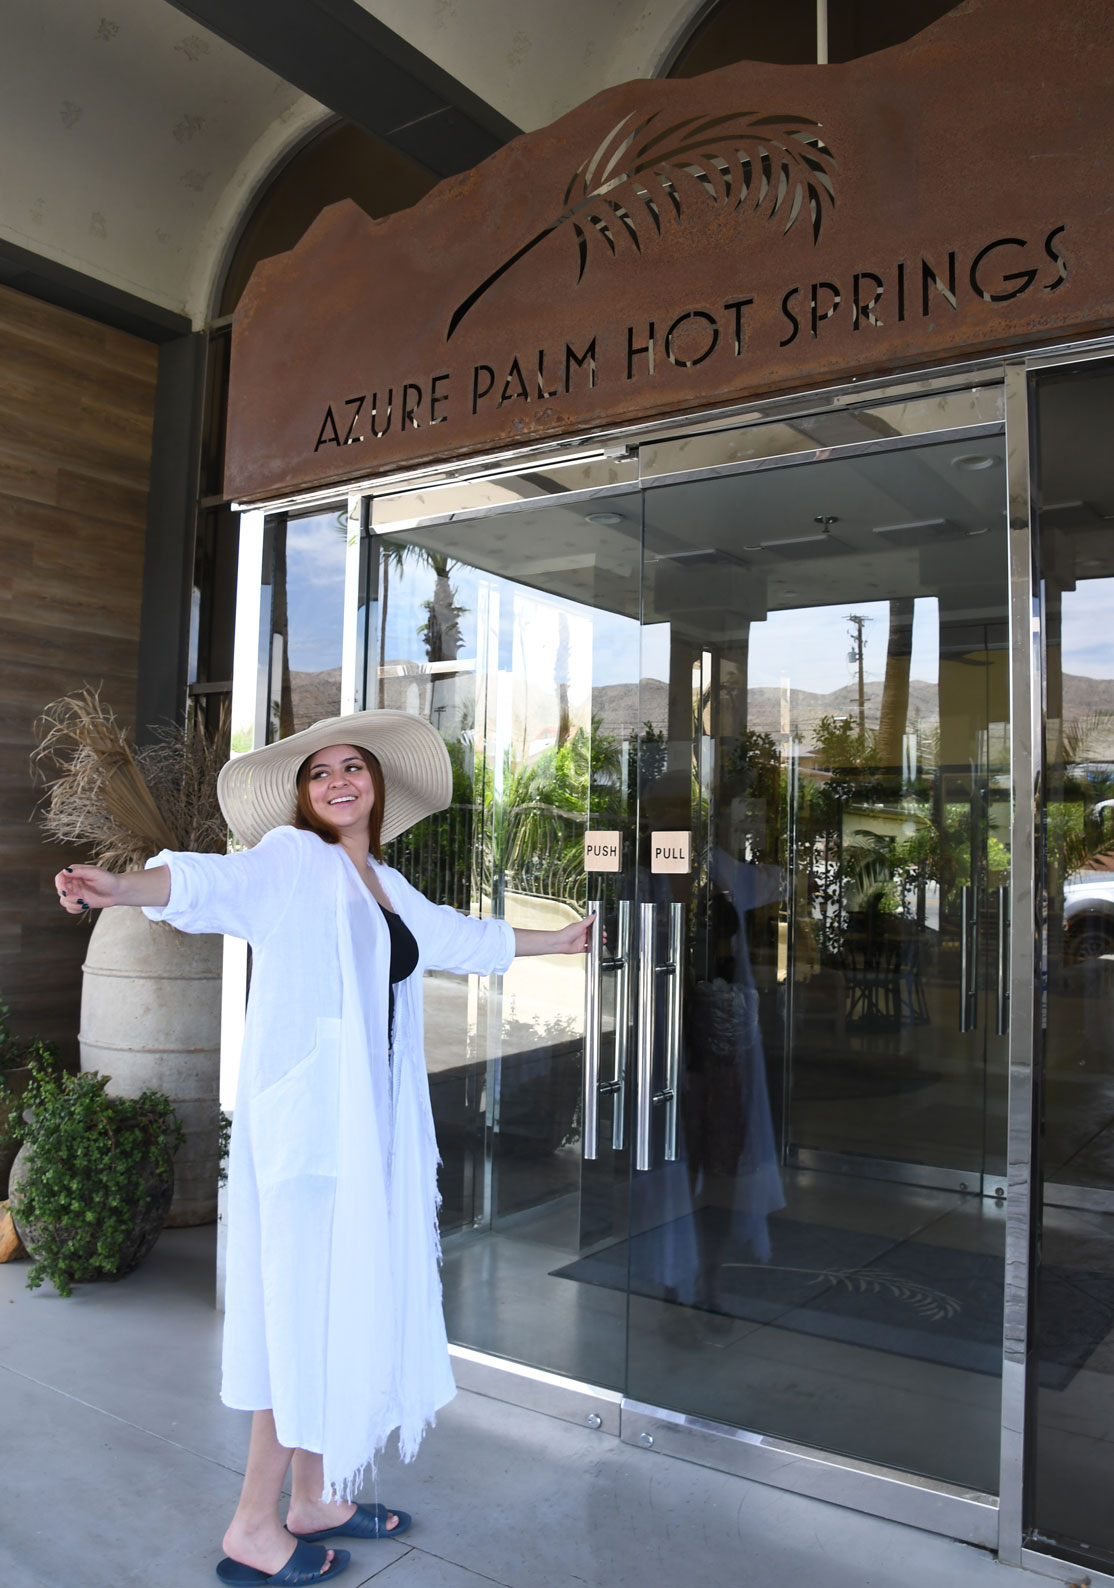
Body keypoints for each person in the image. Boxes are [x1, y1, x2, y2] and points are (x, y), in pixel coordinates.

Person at [56, 710, 594, 1588]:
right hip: (308, 1139)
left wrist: (559, 940)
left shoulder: (381, 879)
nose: (340, 781)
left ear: (377, 785)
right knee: (299, 1319)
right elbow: (208, 881)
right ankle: (252, 1525)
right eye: (320, 772)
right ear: (303, 797)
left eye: (354, 767)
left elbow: (458, 936)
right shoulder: (291, 860)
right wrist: (120, 887)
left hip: (363, 1138)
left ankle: (312, 1499)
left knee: (333, 1308)